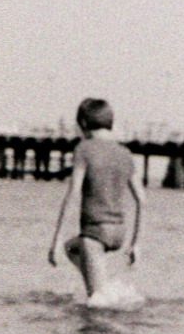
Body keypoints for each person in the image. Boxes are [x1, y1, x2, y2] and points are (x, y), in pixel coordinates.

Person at [48, 98, 144, 299]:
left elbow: (73, 194)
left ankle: (101, 290)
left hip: (95, 233)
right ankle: (101, 281)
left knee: (98, 306)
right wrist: (135, 243)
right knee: (72, 247)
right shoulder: (125, 153)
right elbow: (141, 200)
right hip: (119, 233)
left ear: (83, 123)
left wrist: (55, 241)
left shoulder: (84, 148)